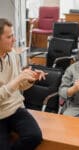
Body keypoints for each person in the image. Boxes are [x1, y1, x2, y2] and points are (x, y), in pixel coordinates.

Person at [0, 18, 46, 149]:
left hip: (15, 109)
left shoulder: (13, 54)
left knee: (34, 136)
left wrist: (30, 79)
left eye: (13, 35)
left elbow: (20, 85)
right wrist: (18, 79)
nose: (14, 40)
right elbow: (15, 83)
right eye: (9, 37)